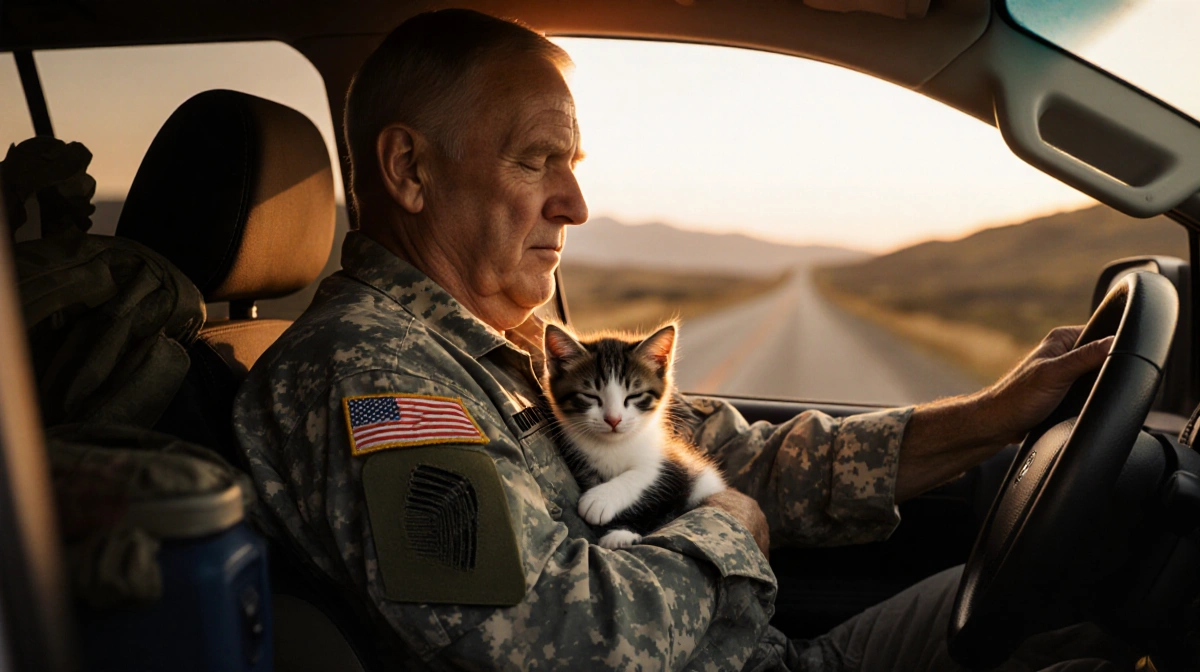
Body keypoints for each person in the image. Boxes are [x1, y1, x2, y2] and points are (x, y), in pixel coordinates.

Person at [234, 9, 1130, 671]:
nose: (574, 205)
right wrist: (729, 533)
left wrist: (998, 414)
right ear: (409, 171)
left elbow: (742, 455)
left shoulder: (508, 353)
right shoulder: (370, 375)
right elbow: (551, 645)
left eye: (572, 166)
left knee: (1094, 589)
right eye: (534, 160)